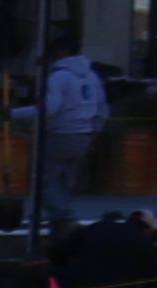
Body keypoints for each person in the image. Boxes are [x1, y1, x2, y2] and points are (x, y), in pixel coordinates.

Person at [33, 39, 109, 225]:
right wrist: (95, 130)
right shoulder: (92, 76)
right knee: (66, 180)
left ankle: (63, 216)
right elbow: (103, 109)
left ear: (62, 51)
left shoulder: (59, 77)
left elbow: (50, 108)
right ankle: (61, 222)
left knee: (45, 180)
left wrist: (15, 113)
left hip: (60, 133)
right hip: (83, 135)